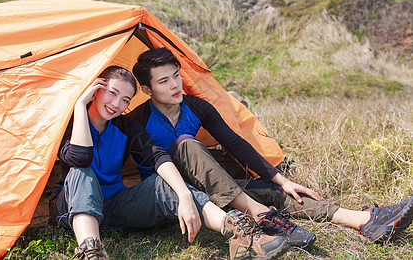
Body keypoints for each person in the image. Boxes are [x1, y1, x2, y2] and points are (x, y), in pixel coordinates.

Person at [128, 47, 413, 245]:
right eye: (164, 81)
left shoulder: (195, 105)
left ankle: (364, 220)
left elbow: (235, 143)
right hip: (174, 193)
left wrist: (281, 178)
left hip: (210, 182)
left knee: (272, 191)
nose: (175, 85)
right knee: (185, 144)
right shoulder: (136, 120)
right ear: (147, 90)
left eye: (176, 75)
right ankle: (257, 213)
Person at [49, 65, 292, 260]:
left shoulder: (125, 126)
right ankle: (91, 252)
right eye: (112, 93)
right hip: (72, 209)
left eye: (125, 100)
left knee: (164, 182)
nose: (116, 104)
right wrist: (81, 104)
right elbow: (80, 157)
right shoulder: (67, 123)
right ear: (96, 89)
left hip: (112, 208)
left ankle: (240, 235)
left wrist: (184, 194)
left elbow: (156, 156)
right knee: (82, 171)